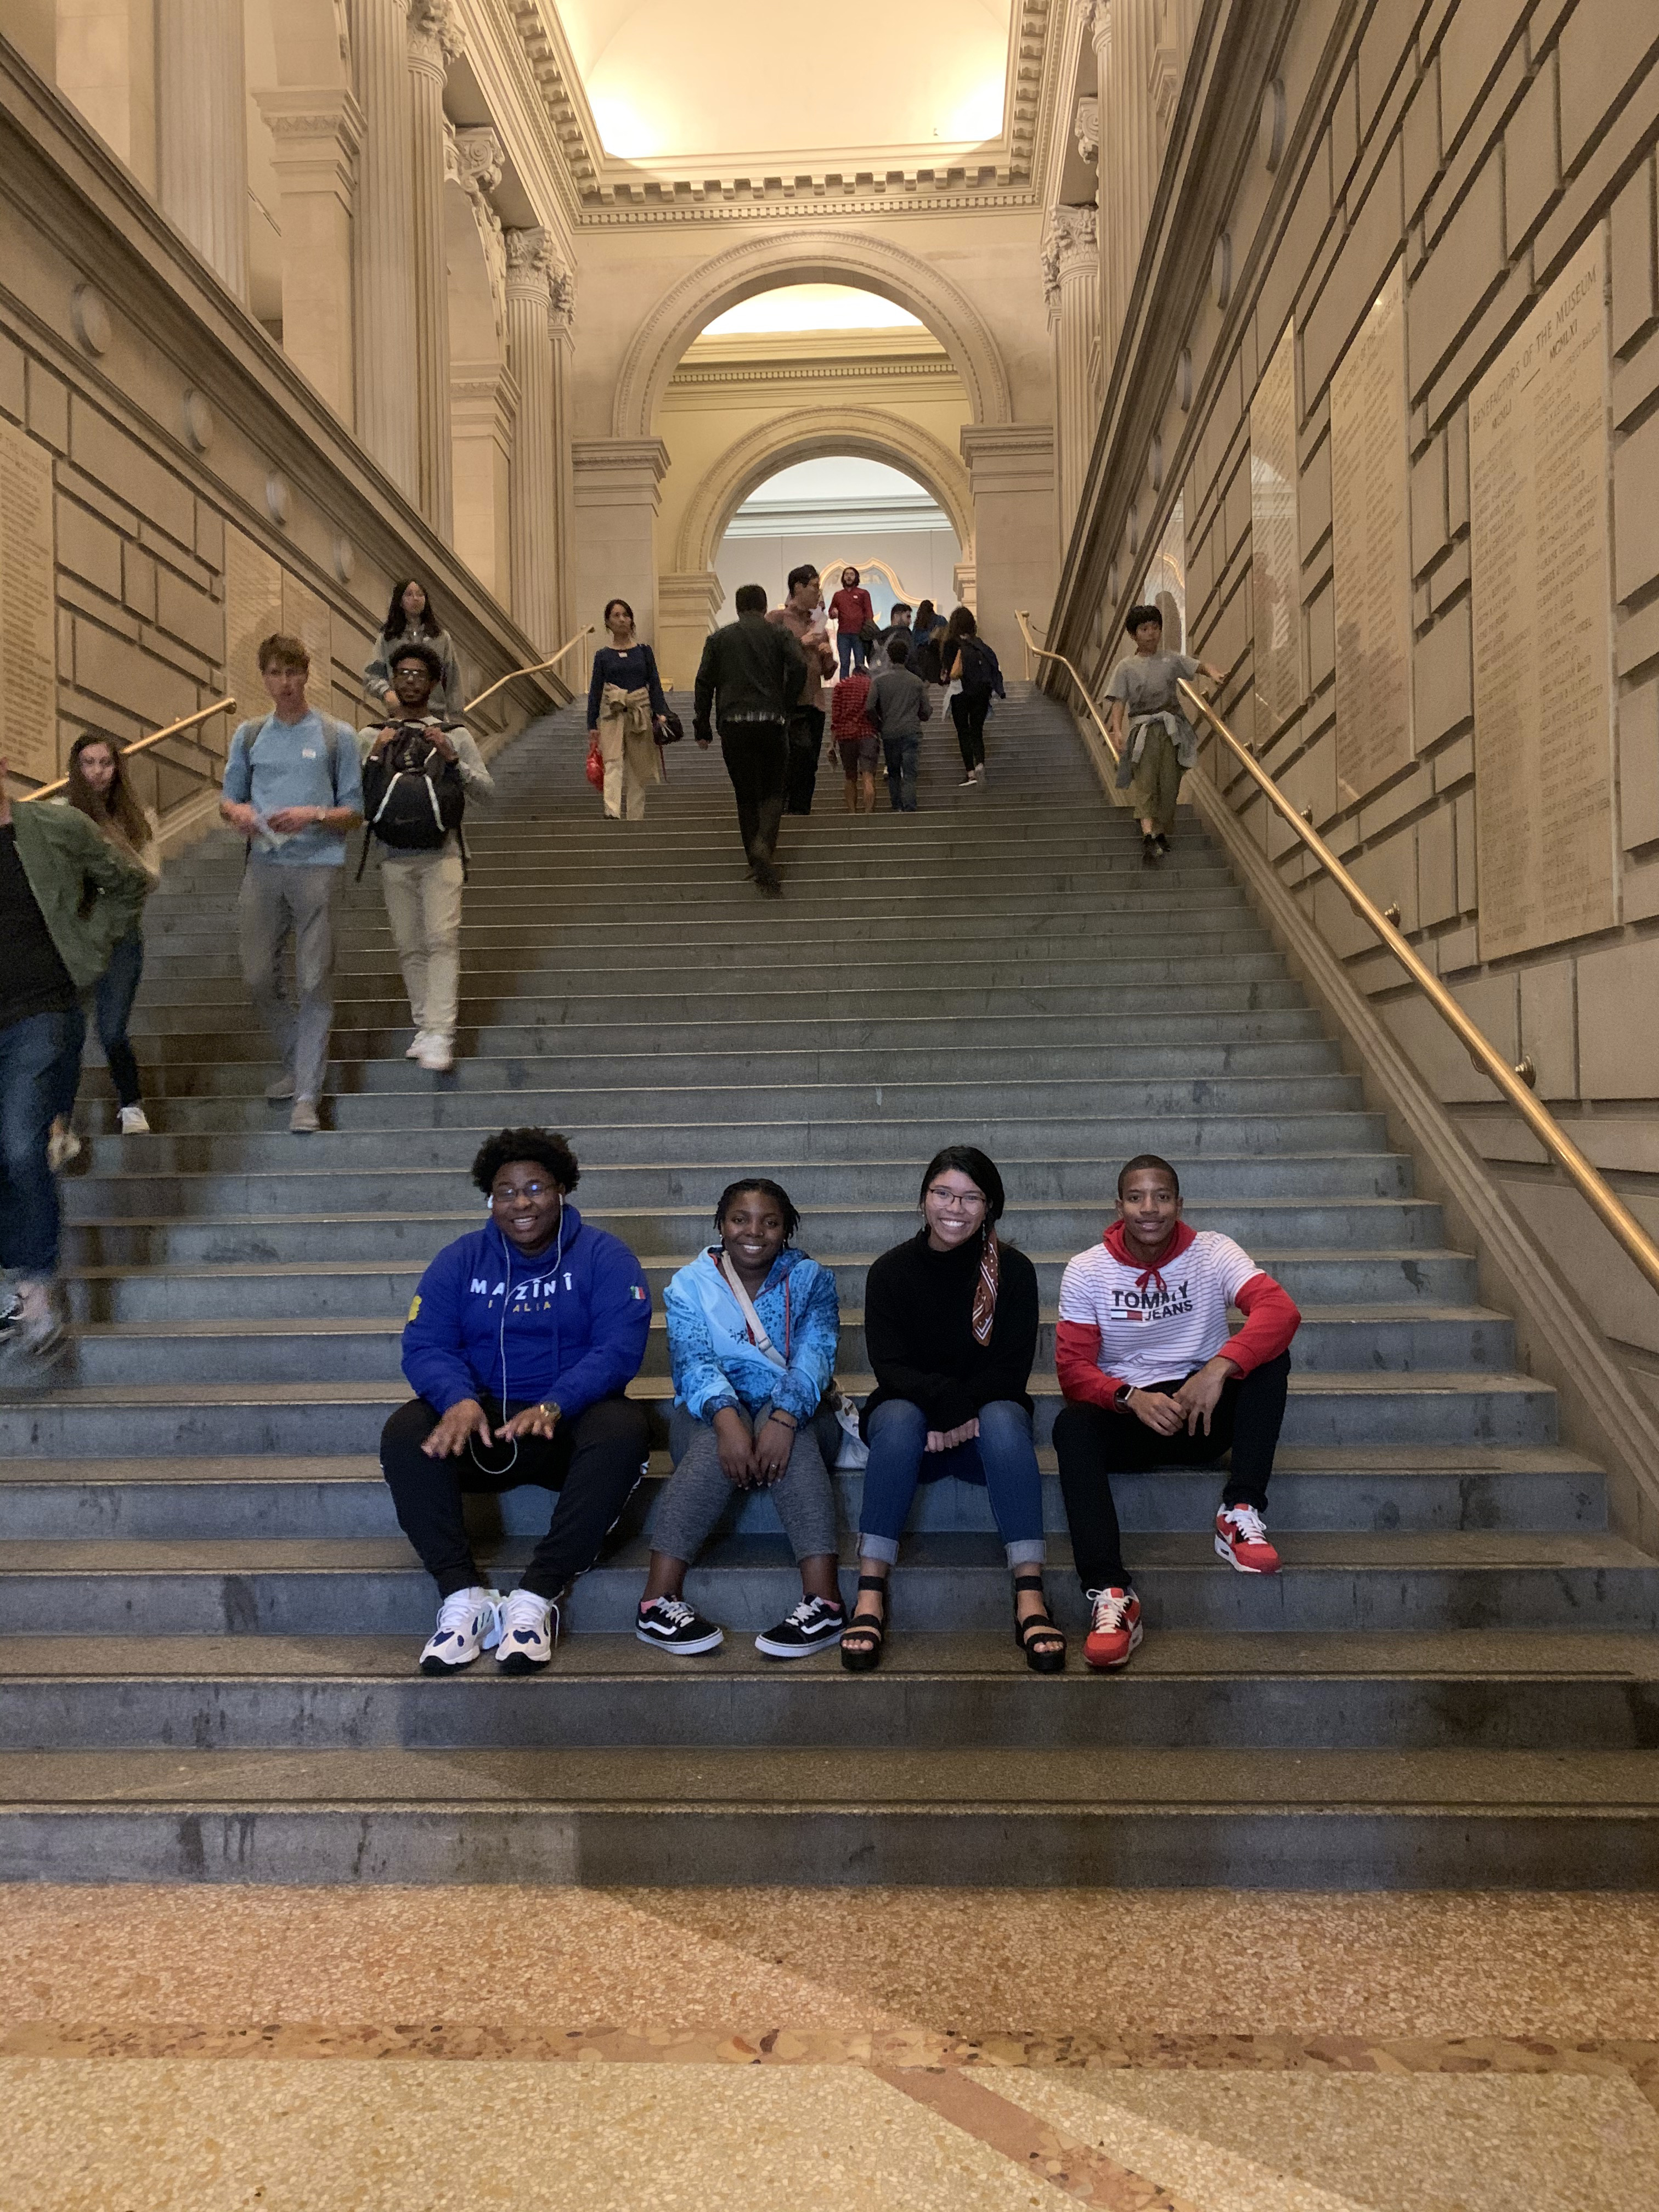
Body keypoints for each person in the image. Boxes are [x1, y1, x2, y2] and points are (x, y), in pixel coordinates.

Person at [381, 1126, 653, 1676]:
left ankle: (536, 1597)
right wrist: (458, 1400)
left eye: (535, 1189)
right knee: (405, 1432)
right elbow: (426, 1343)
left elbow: (619, 1348)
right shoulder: (461, 1259)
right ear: (491, 1200)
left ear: (561, 1191)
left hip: (564, 1424)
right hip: (484, 1426)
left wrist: (557, 1402)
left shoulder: (604, 1256)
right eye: (505, 1192)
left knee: (624, 1428)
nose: (521, 1204)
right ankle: (463, 1597)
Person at [1052, 1153, 1301, 1672]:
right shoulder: (1087, 1269)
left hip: (1200, 1414)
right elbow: (1073, 1370)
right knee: (1071, 1426)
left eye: (1162, 1197)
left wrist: (1218, 1369)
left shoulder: (1213, 1251)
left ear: (1179, 1205)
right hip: (1133, 1420)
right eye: (1136, 1198)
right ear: (1119, 1206)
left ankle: (1240, 1511)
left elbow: (1281, 1311)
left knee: (1270, 1357)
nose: (1150, 1208)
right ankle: (1111, 1593)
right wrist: (1129, 1397)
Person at [839, 1146, 1064, 1675]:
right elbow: (889, 1366)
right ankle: (870, 1592)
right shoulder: (891, 1272)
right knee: (897, 1420)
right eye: (943, 1193)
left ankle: (1030, 1594)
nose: (955, 1209)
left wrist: (958, 1412)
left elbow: (1011, 1368)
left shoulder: (1013, 1272)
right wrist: (942, 1409)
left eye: (970, 1197)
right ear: (924, 1199)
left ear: (990, 1207)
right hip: (914, 1427)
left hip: (983, 1424)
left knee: (1005, 1420)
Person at [635, 1178, 847, 1660]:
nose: (754, 1231)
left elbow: (815, 1356)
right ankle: (656, 1601)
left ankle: (825, 1602)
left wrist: (784, 1418)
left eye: (770, 1222)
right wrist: (728, 1420)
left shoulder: (812, 1280)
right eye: (740, 1219)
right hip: (708, 1412)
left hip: (798, 1406)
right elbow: (693, 1362)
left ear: (786, 1230)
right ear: (721, 1225)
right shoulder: (690, 1284)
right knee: (714, 1443)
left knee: (796, 1437)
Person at [0, 755, 148, 1356]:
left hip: (41, 1012)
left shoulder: (52, 827)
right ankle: (15, 1286)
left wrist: (90, 944)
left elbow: (129, 882)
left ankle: (37, 1287)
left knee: (19, 1143)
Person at [219, 632, 364, 1135]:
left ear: (306, 674)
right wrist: (237, 813)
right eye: (276, 673)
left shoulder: (336, 735)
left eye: (293, 672)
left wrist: (314, 814)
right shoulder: (250, 735)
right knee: (258, 977)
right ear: (264, 678)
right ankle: (298, 1061)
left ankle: (307, 1096)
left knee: (314, 979)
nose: (285, 683)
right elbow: (228, 799)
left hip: (319, 866)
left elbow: (355, 812)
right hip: (264, 864)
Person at [357, 641, 494, 1074]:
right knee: (410, 946)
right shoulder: (370, 735)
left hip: (443, 854)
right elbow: (355, 800)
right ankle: (425, 1027)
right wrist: (375, 753)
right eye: (403, 674)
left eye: (419, 674)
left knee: (441, 940)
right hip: (392, 855)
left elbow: (487, 793)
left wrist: (453, 759)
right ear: (392, 681)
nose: (411, 681)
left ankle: (441, 1032)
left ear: (434, 684)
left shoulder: (457, 735)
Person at [48, 733, 160, 1154]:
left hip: (120, 937)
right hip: (73, 938)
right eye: (89, 763)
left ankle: (131, 1104)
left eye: (106, 763)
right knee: (68, 1033)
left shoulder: (138, 818)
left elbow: (151, 876)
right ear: (76, 768)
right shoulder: (59, 813)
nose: (98, 772)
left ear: (117, 768)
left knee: (112, 1030)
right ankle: (60, 1123)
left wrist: (115, 854)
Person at [692, 582, 806, 896]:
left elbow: (704, 683)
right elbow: (799, 664)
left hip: (734, 723)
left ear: (738, 608)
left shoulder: (719, 639)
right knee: (773, 789)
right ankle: (763, 846)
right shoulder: (779, 634)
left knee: (745, 794)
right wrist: (786, 702)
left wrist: (702, 726)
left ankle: (755, 861)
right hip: (771, 720)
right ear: (764, 606)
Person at [1104, 603, 1224, 864]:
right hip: (1143, 731)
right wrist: (1117, 730)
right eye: (1144, 629)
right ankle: (1148, 834)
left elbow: (1198, 666)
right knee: (1146, 782)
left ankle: (1159, 831)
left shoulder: (1171, 660)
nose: (1151, 634)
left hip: (1172, 730)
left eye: (1155, 628)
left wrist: (1212, 672)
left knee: (1170, 784)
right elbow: (1119, 701)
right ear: (1133, 635)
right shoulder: (1126, 667)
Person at [586, 597, 670, 823]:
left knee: (637, 766)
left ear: (632, 620)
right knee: (613, 762)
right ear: (608, 622)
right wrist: (592, 723)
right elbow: (596, 690)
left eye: (626, 615)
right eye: (617, 615)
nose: (622, 619)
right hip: (612, 715)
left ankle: (635, 817)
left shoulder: (644, 652)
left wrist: (661, 711)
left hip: (639, 712)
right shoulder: (603, 656)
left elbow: (654, 683)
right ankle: (612, 812)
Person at [769, 566, 836, 815]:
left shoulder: (819, 625)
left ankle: (802, 811)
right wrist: (800, 643)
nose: (819, 593)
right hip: (791, 701)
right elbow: (768, 657)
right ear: (798, 587)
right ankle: (786, 808)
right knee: (794, 757)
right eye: (815, 587)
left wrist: (828, 657)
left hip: (815, 702)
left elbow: (827, 673)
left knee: (810, 763)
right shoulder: (777, 619)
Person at [363, 578, 462, 718]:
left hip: (435, 714)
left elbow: (452, 677)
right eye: (409, 595)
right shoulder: (388, 638)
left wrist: (455, 715)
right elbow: (372, 674)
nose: (415, 599)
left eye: (420, 595)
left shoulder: (441, 637)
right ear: (400, 601)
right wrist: (386, 692)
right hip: (400, 714)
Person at [938, 606, 1006, 787]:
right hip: (981, 693)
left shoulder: (951, 644)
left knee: (963, 732)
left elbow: (950, 672)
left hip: (960, 692)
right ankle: (980, 764)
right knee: (977, 731)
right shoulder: (980, 645)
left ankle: (970, 773)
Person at [864, 636, 932, 813]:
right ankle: (909, 806)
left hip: (890, 732)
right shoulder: (916, 681)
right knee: (909, 773)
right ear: (907, 656)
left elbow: (869, 707)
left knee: (894, 772)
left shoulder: (879, 681)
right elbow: (926, 710)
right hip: (911, 731)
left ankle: (897, 805)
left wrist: (879, 724)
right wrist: (919, 715)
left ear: (889, 656)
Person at [830, 656, 879, 812]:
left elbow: (836, 718)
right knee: (868, 776)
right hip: (867, 734)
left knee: (850, 776)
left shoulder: (840, 686)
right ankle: (868, 813)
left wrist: (832, 744)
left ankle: (852, 812)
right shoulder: (871, 685)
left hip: (846, 736)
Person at [828, 565, 874, 678]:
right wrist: (833, 613)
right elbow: (831, 613)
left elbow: (869, 613)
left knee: (860, 664)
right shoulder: (838, 595)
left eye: (852, 574)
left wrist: (869, 629)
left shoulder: (863, 593)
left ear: (856, 577)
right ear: (843, 578)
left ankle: (860, 686)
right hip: (843, 634)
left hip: (859, 634)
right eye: (847, 574)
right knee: (844, 664)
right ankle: (843, 686)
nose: (849, 577)